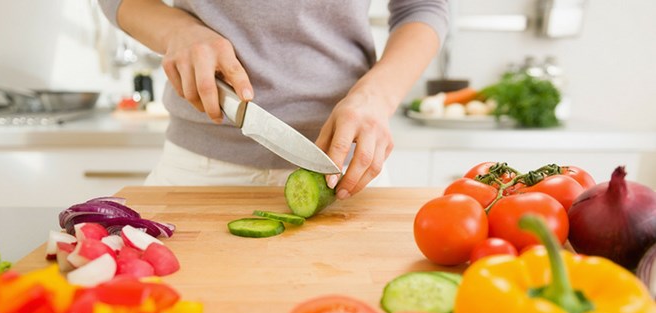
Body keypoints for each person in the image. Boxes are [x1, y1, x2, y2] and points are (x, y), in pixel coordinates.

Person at [98, 0, 448, 199]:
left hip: (345, 170)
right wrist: (177, 30)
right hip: (197, 170)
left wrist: (377, 96)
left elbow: (423, 6)